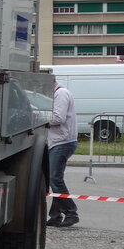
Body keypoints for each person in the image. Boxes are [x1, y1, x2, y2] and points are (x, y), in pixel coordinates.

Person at [47, 81, 80, 227]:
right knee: (54, 178)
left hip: (62, 142)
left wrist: (36, 117)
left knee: (54, 178)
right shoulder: (59, 93)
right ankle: (55, 215)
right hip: (60, 141)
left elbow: (57, 118)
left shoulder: (60, 94)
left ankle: (71, 212)